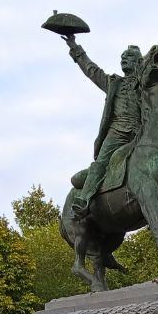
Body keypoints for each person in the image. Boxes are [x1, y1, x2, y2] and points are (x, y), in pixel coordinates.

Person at [63, 34, 144, 219]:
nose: (123, 59)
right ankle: (84, 201)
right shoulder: (112, 82)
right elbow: (91, 69)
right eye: (122, 57)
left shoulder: (145, 86)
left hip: (139, 135)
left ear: (139, 62)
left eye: (129, 57)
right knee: (100, 164)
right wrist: (74, 46)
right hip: (116, 133)